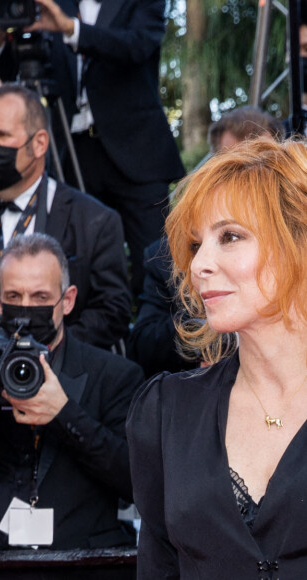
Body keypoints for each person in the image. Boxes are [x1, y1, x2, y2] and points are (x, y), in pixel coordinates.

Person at [127, 138, 307, 578]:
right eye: (195, 245)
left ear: (297, 243)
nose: (200, 264)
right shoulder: (165, 411)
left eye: (230, 236)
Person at [0, 233, 144, 579]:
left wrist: (64, 414)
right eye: (14, 296)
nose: (25, 307)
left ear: (67, 300)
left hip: (80, 566)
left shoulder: (113, 375)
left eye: (40, 297)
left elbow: (135, 483)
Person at [0, 0, 185, 298]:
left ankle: (155, 340)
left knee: (156, 265)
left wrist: (70, 29)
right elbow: (11, 69)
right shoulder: (53, 4)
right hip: (72, 151)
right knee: (73, 262)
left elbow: (136, 46)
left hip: (137, 152)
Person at [0, 84, 132, 350]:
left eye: (1, 135)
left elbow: (112, 312)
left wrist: (50, 350)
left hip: (48, 379)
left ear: (39, 144)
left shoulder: (94, 220)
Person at [127, 107, 283, 379]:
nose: (244, 171)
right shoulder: (166, 257)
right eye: (231, 159)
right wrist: (206, 327)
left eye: (261, 159)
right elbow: (143, 346)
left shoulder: (296, 243)